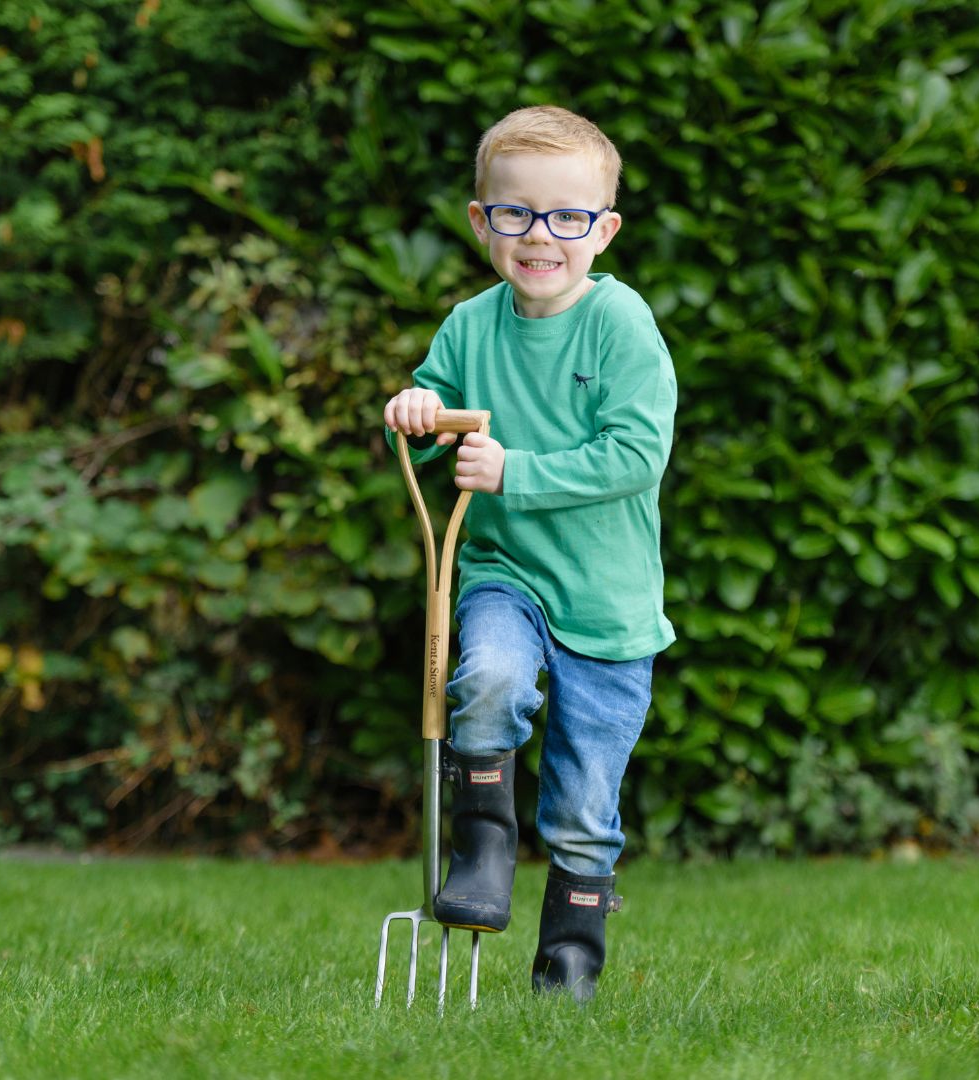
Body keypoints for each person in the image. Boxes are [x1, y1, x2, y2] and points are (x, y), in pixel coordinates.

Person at [383, 105, 677, 1002]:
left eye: (567, 217)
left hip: (611, 605)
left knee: (588, 804)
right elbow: (437, 416)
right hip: (505, 578)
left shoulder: (621, 324)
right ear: (482, 221)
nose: (539, 236)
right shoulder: (471, 327)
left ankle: (570, 967)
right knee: (491, 682)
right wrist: (417, 412)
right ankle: (481, 850)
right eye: (514, 214)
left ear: (604, 229)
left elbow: (636, 455)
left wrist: (516, 470)